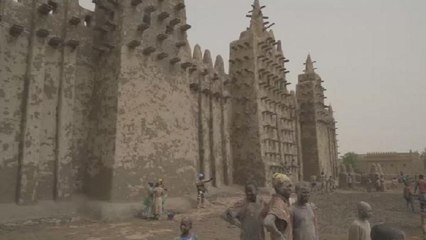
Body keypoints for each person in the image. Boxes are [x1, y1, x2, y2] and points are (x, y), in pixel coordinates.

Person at [264, 173, 293, 240]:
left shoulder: (276, 200)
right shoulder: (278, 202)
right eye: (288, 186)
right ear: (278, 187)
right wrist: (279, 236)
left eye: (291, 186)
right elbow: (268, 222)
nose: (291, 189)